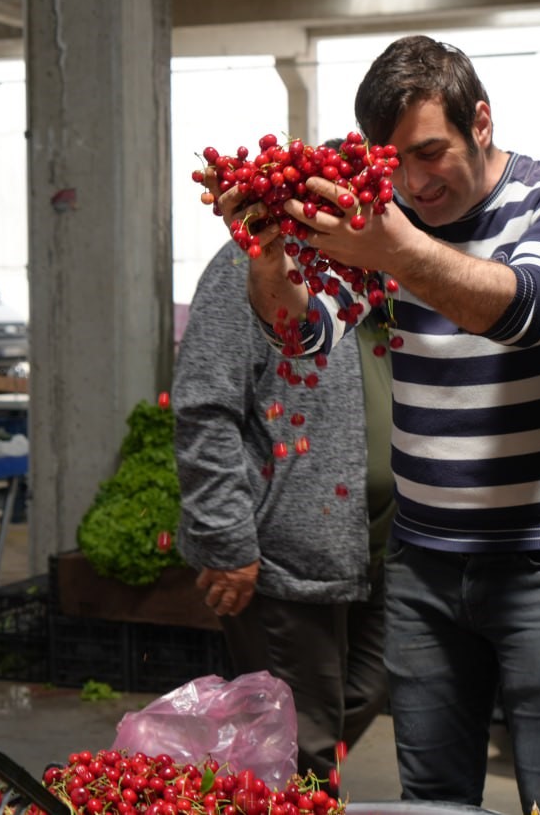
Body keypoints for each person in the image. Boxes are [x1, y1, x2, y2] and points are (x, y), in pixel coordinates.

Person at [207, 35, 540, 814]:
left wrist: (398, 249)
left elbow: (522, 309)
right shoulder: (385, 224)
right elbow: (306, 333)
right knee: (431, 800)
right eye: (397, 163)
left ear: (481, 122)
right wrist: (265, 259)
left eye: (432, 152)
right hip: (424, 565)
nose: (418, 182)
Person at [172, 240, 395, 778]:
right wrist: (226, 539)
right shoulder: (253, 262)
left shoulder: (388, 262)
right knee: (304, 745)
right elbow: (205, 406)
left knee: (357, 700)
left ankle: (255, 781)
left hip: (386, 551)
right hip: (283, 559)